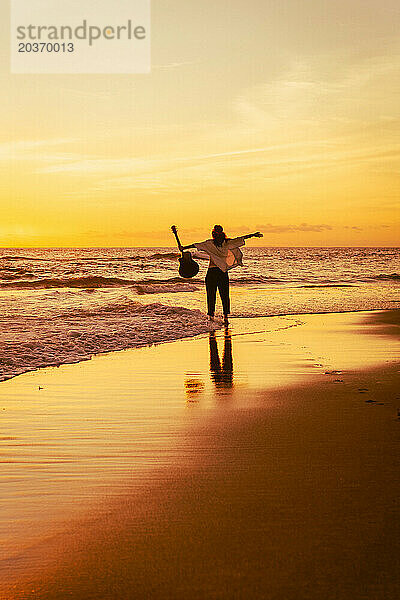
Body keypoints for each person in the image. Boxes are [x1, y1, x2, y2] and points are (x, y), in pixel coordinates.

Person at [181, 225, 263, 324]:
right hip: (222, 272)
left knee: (211, 294)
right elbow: (240, 238)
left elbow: (196, 245)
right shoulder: (226, 243)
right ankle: (225, 317)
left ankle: (211, 317)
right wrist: (253, 235)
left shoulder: (210, 243)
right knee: (224, 295)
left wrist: (184, 248)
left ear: (214, 233)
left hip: (212, 272)